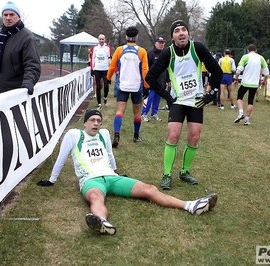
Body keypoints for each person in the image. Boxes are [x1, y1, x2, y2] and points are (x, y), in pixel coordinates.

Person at [36, 109, 218, 234]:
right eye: (92, 120)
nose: (96, 123)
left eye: (99, 120)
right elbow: (61, 157)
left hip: (112, 177)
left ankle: (190, 205)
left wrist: (116, 172)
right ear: (85, 122)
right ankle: (101, 222)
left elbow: (109, 154)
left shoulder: (104, 134)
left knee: (150, 189)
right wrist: (52, 180)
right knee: (96, 198)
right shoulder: (74, 135)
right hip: (90, 180)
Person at [145, 20, 223, 190]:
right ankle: (167, 174)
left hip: (196, 101)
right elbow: (150, 77)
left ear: (188, 33)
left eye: (184, 30)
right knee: (173, 136)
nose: (181, 33)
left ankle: (185, 171)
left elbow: (217, 71)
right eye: (177, 31)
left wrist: (210, 96)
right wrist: (167, 96)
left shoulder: (198, 48)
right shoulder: (168, 53)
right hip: (178, 101)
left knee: (194, 137)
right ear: (172, 36)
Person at [0, 1, 41, 97]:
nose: (8, 18)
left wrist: (27, 84)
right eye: (5, 15)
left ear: (18, 16)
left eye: (11, 14)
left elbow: (32, 65)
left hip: (14, 94)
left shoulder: (27, 37)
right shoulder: (1, 36)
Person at [107, 26, 149, 148]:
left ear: (126, 37)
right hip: (136, 86)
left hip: (122, 85)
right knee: (137, 112)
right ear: (137, 37)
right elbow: (145, 70)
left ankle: (116, 135)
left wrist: (108, 78)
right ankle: (136, 136)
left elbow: (112, 66)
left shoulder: (120, 50)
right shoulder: (142, 51)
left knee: (119, 111)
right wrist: (146, 85)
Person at [233, 44, 269, 125]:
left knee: (239, 97)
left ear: (248, 50)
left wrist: (236, 79)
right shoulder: (261, 58)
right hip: (254, 84)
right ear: (255, 50)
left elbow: (239, 69)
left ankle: (241, 112)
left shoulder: (245, 57)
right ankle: (246, 120)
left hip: (245, 82)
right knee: (250, 101)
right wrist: (264, 81)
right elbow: (266, 73)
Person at [141, 37, 167, 122]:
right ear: (155, 43)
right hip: (151, 82)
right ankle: (143, 113)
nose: (161, 44)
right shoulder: (150, 53)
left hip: (161, 81)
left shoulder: (165, 54)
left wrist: (168, 80)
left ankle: (154, 114)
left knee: (157, 99)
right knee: (149, 98)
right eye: (159, 43)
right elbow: (145, 68)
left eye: (162, 43)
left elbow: (167, 68)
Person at [91, 34, 111, 109]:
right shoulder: (95, 48)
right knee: (98, 86)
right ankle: (99, 103)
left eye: (103, 39)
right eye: (100, 39)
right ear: (98, 40)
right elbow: (93, 58)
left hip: (105, 69)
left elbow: (109, 58)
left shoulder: (107, 48)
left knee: (106, 85)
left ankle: (105, 97)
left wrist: (110, 68)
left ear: (105, 40)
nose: (101, 40)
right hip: (97, 69)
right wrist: (92, 69)